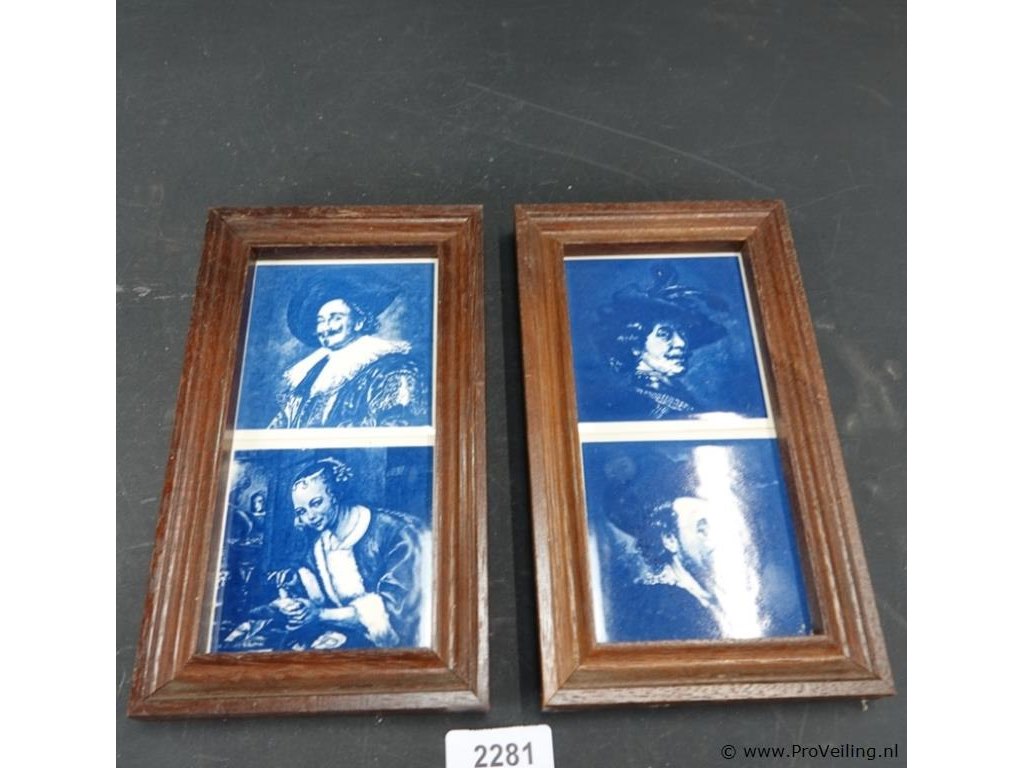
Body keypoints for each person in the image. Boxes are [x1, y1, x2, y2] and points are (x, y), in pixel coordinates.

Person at [271, 457, 424, 649]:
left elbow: (397, 612)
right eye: (301, 511)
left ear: (336, 494)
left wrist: (320, 615)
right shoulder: (320, 545)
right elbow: (314, 589)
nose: (310, 516)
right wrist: (295, 585)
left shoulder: (397, 533)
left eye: (316, 503)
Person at [269, 281, 427, 428]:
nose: (326, 328)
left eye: (336, 318)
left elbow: (396, 429)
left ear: (359, 322)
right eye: (320, 321)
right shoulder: (310, 374)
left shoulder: (392, 368)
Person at [596, 264, 727, 420]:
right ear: (635, 345)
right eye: (664, 334)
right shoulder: (638, 406)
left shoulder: (675, 394)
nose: (681, 343)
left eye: (682, 332)